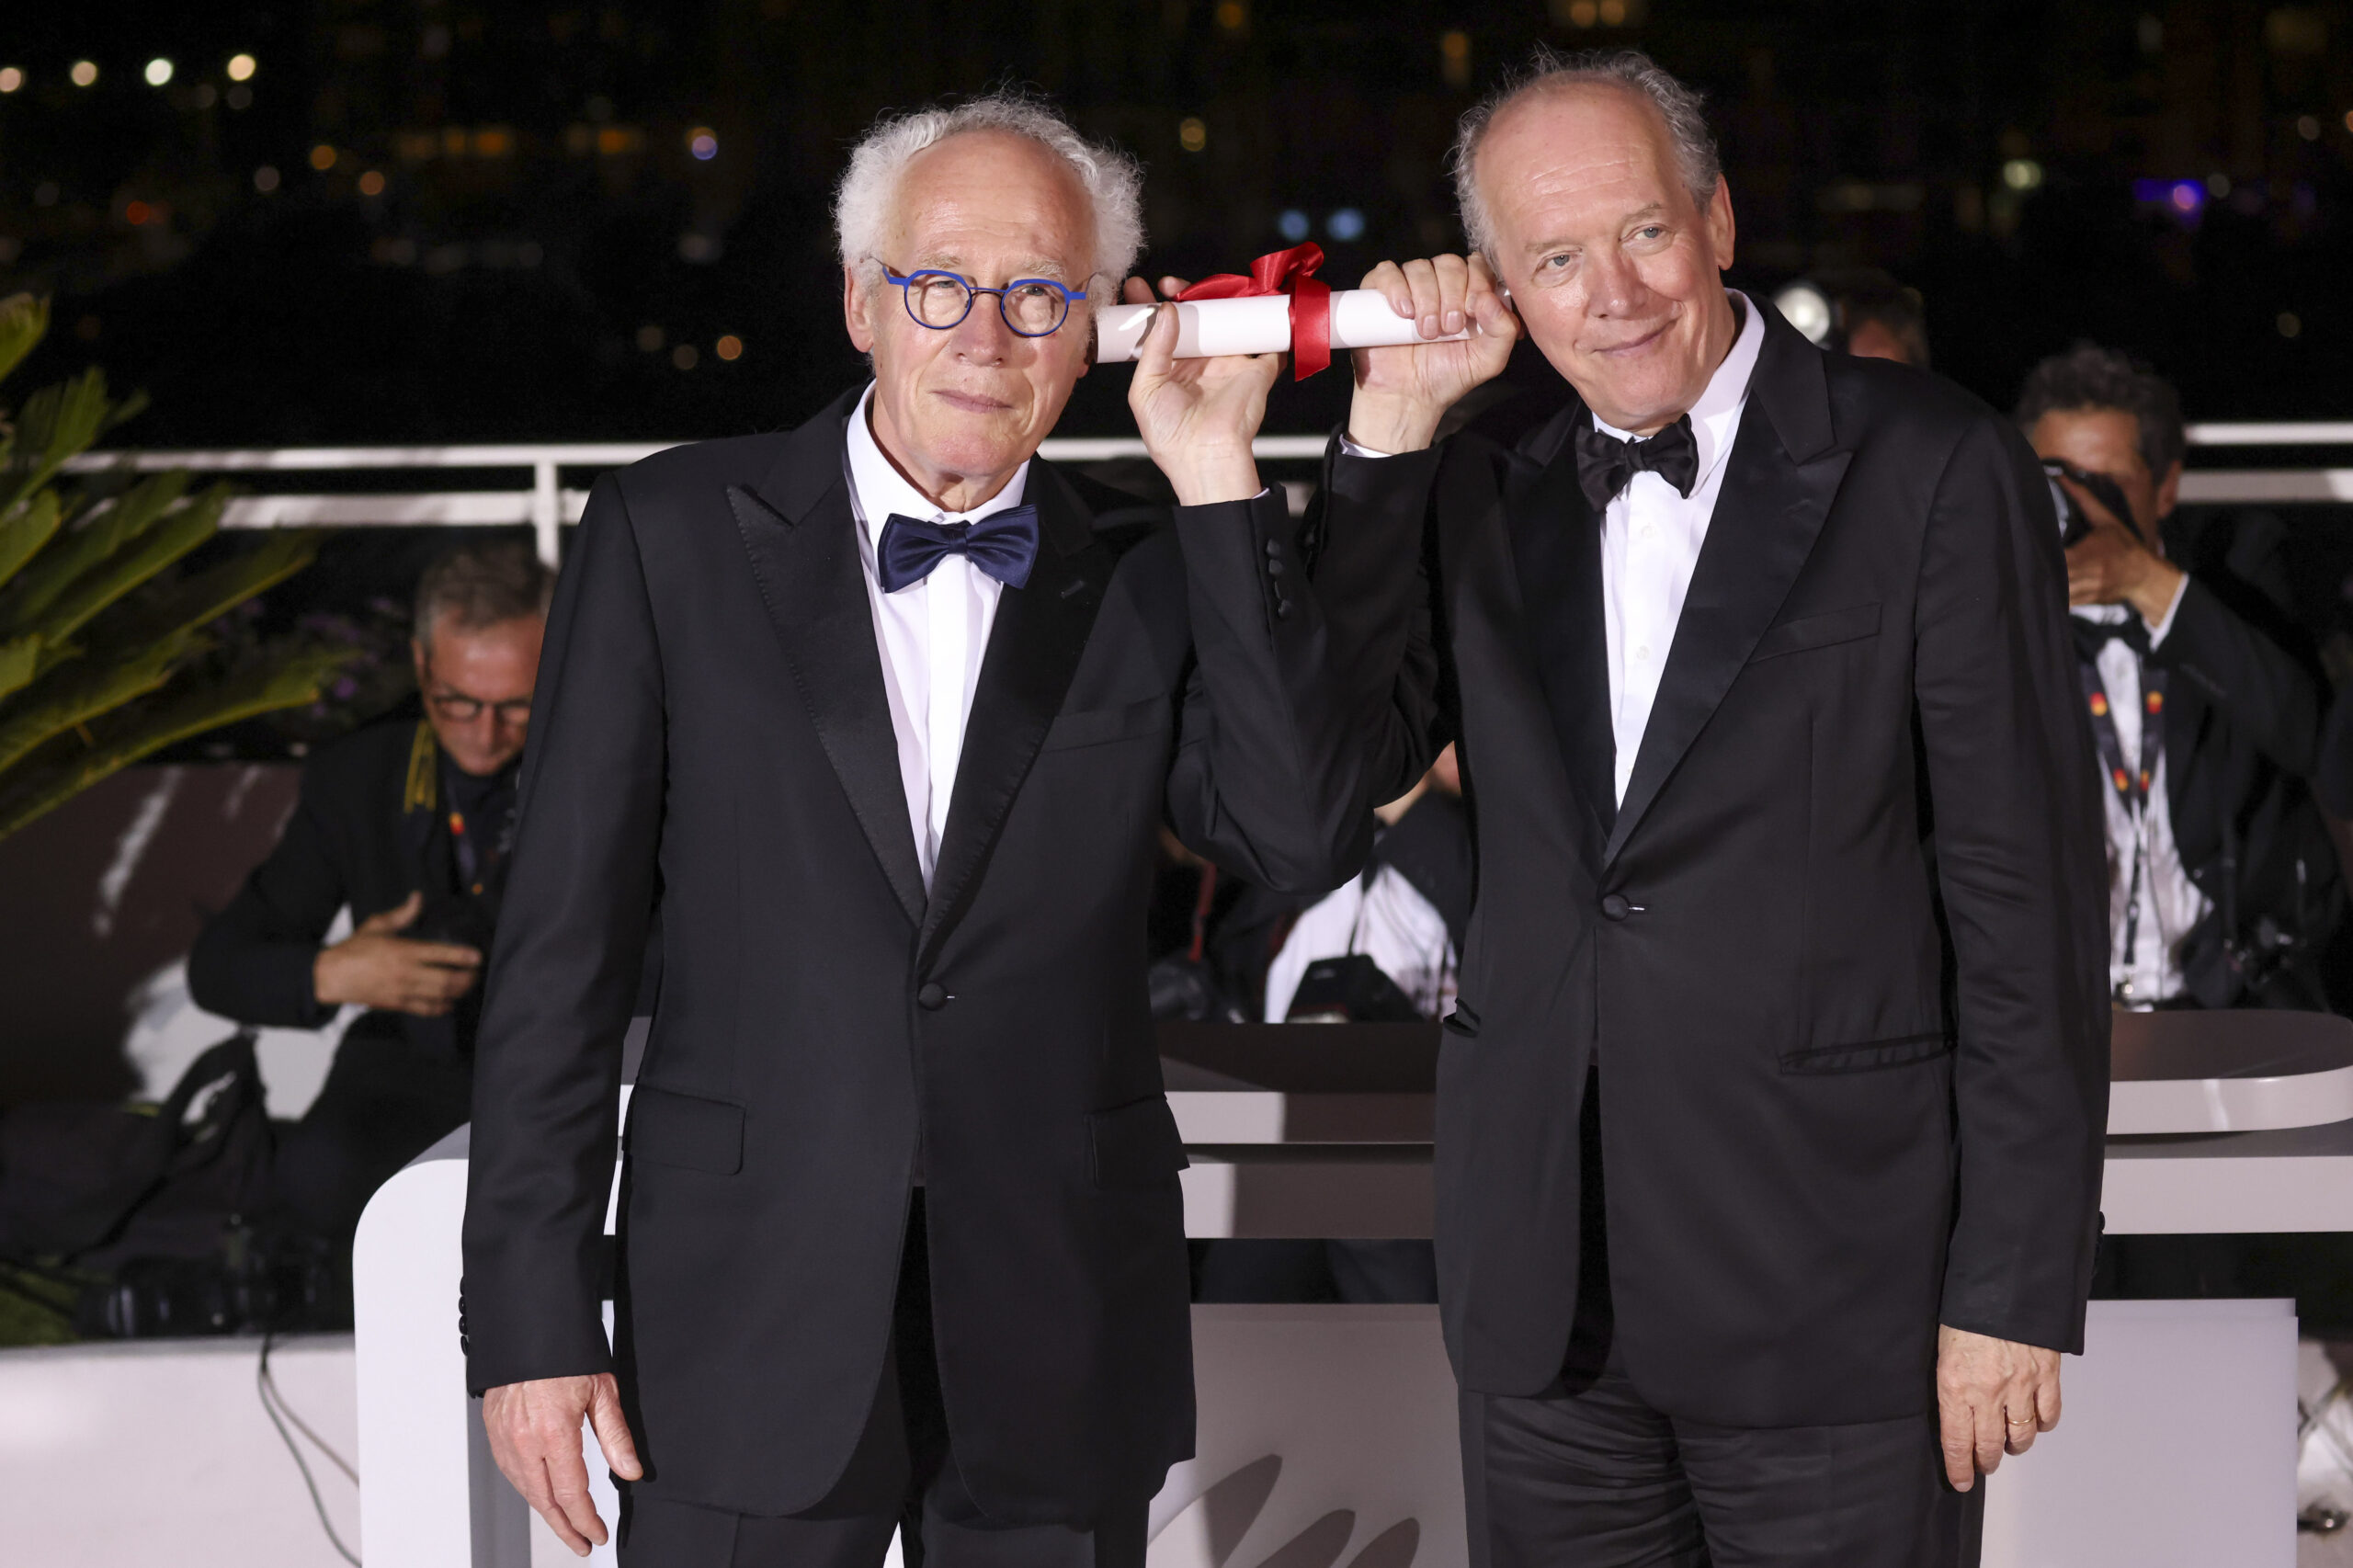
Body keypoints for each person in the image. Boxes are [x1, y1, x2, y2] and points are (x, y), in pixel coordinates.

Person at [460, 92, 1424, 1568]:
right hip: (742, 1315)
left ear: (1094, 328)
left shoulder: (1153, 558)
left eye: (1039, 293)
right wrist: (531, 1323)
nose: (986, 335)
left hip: (1058, 1314)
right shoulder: (666, 534)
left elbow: (1297, 837)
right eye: (939, 285)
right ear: (862, 302)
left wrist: (1216, 475)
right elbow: (557, 956)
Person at [1317, 48, 2109, 1567]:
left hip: (1841, 1305)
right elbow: (1328, 776)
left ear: (1719, 221)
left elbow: (2029, 907)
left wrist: (2011, 1286)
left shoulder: (1933, 462)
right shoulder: (1477, 473)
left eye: (1643, 232)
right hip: (1549, 1314)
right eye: (1556, 257)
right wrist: (1384, 438)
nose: (1611, 293)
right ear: (1505, 286)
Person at [188, 540, 551, 1243]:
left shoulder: (610, 772)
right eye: (456, 702)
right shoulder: (360, 775)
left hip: (561, 1066)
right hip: (409, 1063)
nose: (484, 734)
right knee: (318, 1176)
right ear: (421, 666)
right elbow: (217, 966)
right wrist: (334, 973)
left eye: (518, 706)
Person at [2018, 343, 2337, 1009]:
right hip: (2062, 1008)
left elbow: (2308, 735)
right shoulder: (1996, 610)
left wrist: (2149, 584)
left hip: (2232, 1000)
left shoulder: (2237, 572)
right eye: (2055, 477)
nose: (2077, 502)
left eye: (2102, 479)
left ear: (2165, 487)